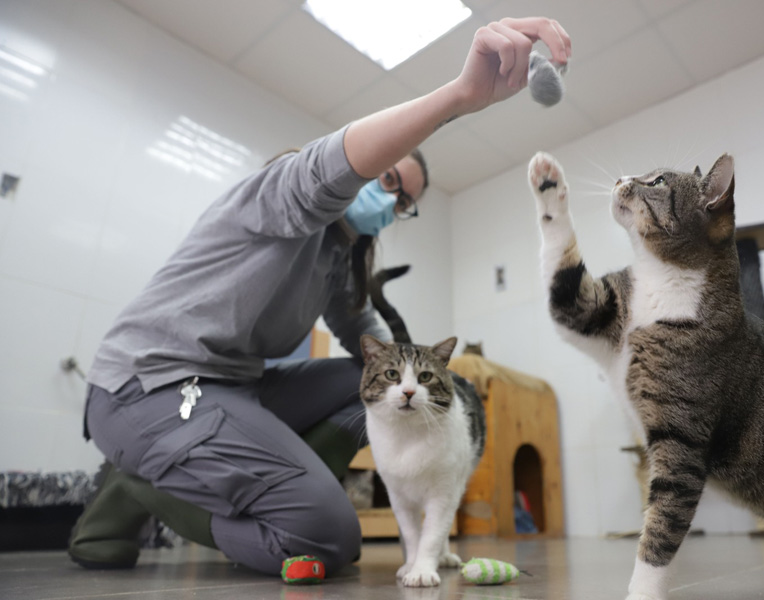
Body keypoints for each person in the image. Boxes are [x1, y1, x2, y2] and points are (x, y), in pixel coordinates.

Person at [68, 17, 571, 577]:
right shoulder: (283, 191)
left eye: (404, 203)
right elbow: (329, 168)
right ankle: (141, 485)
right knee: (326, 538)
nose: (393, 204)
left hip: (232, 389)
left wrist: (433, 377)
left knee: (358, 377)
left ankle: (271, 486)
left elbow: (379, 348)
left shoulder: (337, 260)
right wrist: (459, 96)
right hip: (149, 388)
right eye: (387, 182)